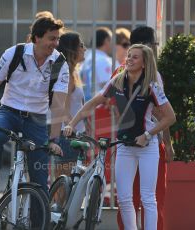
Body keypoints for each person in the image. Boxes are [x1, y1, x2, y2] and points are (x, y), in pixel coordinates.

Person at [64, 44, 176, 230]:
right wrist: (71, 124)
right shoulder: (117, 81)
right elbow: (92, 103)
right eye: (129, 56)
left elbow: (170, 117)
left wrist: (148, 135)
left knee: (148, 198)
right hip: (124, 146)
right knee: (124, 198)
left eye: (135, 57)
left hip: (147, 147)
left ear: (144, 63)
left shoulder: (152, 85)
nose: (129, 59)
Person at [0, 17, 69, 204]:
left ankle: (39, 223)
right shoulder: (14, 53)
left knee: (40, 181)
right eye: (52, 38)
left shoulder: (60, 63)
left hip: (37, 119)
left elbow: (58, 105)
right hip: (9, 111)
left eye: (57, 39)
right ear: (37, 38)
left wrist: (53, 139)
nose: (56, 43)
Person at [114, 26, 174, 230]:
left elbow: (112, 107)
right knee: (152, 197)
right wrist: (167, 143)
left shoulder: (119, 72)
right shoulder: (151, 74)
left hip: (125, 141)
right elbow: (161, 113)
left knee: (126, 197)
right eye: (155, 44)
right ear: (149, 45)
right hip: (147, 141)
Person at [53, 31, 87, 177]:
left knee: (72, 187)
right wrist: (73, 129)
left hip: (74, 135)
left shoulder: (73, 72)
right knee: (64, 189)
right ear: (72, 49)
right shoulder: (66, 75)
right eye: (81, 46)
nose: (84, 49)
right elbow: (61, 109)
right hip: (68, 137)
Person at [80, 27, 113, 101]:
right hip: (97, 103)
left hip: (85, 101)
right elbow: (106, 85)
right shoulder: (103, 60)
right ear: (106, 41)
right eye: (111, 40)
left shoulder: (86, 56)